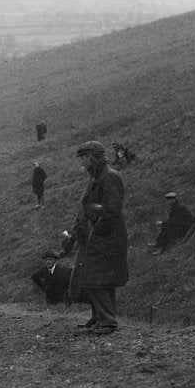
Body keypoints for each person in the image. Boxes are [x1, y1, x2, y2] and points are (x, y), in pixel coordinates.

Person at [63, 141, 129, 334]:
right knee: (96, 278)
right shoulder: (98, 176)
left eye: (84, 158)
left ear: (93, 157)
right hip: (99, 234)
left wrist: (97, 232)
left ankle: (108, 321)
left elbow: (111, 210)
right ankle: (99, 318)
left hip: (107, 236)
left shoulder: (110, 176)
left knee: (96, 278)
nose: (82, 162)